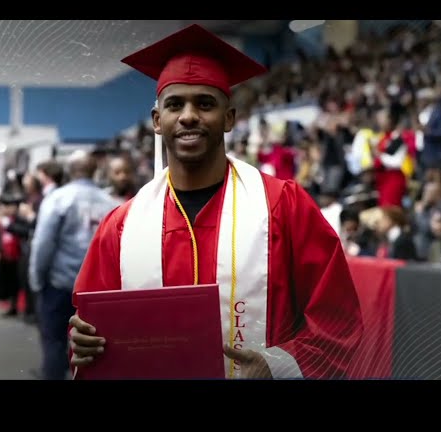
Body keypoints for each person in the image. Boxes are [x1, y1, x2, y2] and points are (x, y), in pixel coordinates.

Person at [69, 24, 363, 380]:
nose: (189, 115)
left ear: (229, 118)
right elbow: (90, 330)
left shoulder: (283, 206)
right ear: (157, 121)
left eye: (205, 103)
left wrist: (277, 366)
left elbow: (337, 323)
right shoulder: (121, 226)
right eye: (175, 104)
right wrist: (83, 342)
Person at [29, 152, 117, 380]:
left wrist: (37, 279)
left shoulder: (58, 199)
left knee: (54, 341)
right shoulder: (110, 202)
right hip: (95, 288)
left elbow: (43, 243)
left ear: (69, 171)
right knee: (93, 349)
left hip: (60, 283)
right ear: (94, 171)